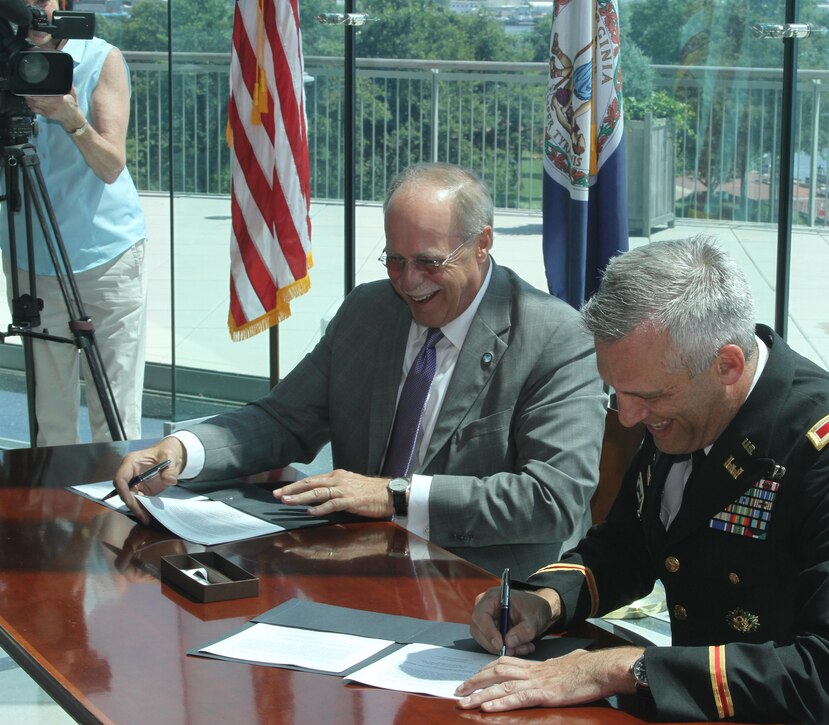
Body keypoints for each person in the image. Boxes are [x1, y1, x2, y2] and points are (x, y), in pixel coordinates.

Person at [457, 237, 829, 723]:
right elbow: (628, 546)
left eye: (646, 396)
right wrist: (545, 602)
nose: (626, 418)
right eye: (617, 392)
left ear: (726, 365)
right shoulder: (681, 404)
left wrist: (628, 666)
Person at [112, 163, 607, 578]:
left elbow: (552, 499)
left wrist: (394, 496)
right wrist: (184, 449)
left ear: (482, 244)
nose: (409, 282)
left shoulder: (555, 338)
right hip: (357, 564)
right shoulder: (369, 310)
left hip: (480, 588)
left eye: (429, 263)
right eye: (395, 260)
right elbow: (287, 418)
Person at [1, 0, 148, 445]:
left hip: (105, 256)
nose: (33, 17)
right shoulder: (6, 62)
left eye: (41, 5)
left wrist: (72, 119)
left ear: (62, 6)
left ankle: (122, 503)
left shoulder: (100, 58)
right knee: (51, 412)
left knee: (115, 407)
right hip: (32, 255)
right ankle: (51, 507)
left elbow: (110, 165)